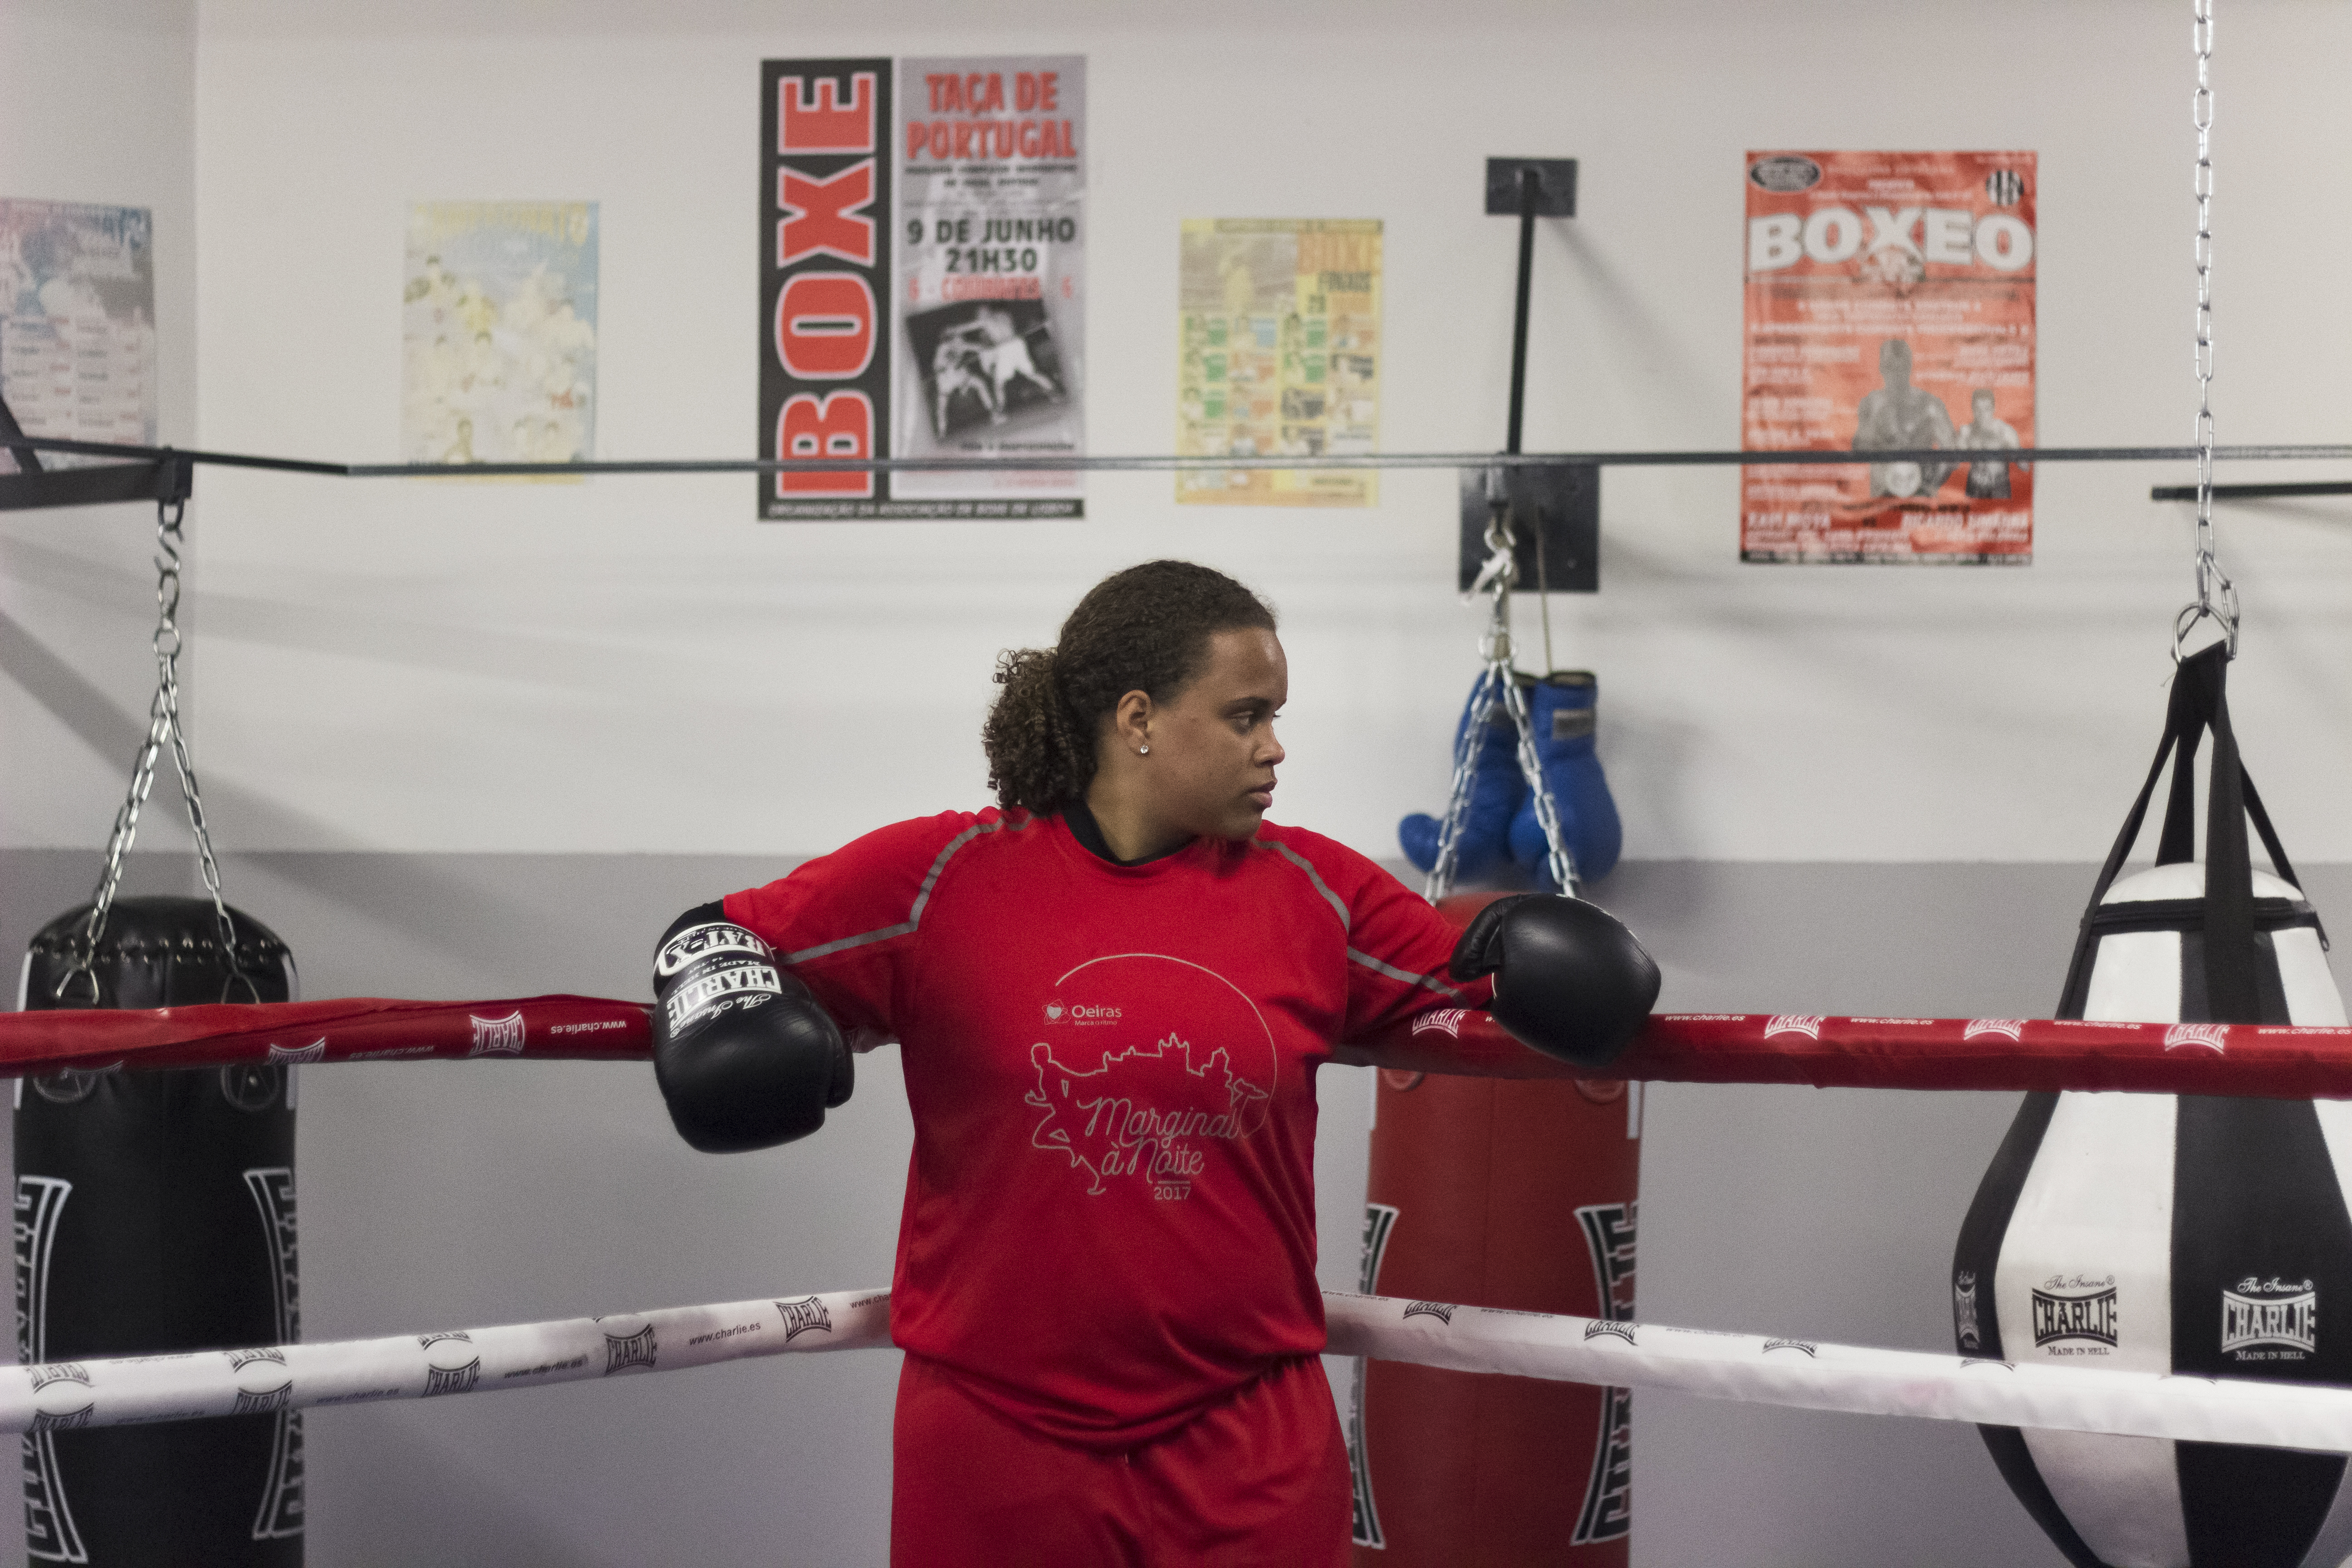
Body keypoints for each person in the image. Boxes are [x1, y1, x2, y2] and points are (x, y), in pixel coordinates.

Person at [646, 561, 1659, 1566]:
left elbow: (1471, 965)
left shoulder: (1315, 892)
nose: (1274, 746)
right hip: (996, 1435)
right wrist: (724, 1006)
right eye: (1245, 716)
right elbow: (715, 933)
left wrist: (1548, 950)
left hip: (1246, 1441)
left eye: (1275, 716)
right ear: (1138, 718)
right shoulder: (942, 877)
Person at [1852, 337, 1956, 499]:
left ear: (1910, 368)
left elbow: (1951, 453)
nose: (1896, 375)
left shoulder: (1930, 405)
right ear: (1881, 368)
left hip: (1920, 498)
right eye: (1890, 367)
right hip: (1883, 498)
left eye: (1902, 367)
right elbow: (1859, 449)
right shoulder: (1872, 404)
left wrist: (1931, 485)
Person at [1955, 387, 2027, 499]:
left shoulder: (2005, 432)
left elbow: (2025, 467)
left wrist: (2016, 452)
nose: (1982, 414)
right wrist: (1959, 442)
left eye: (1987, 409)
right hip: (1974, 487)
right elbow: (1955, 464)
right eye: (1978, 409)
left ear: (1993, 409)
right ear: (1973, 409)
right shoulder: (1966, 431)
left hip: (1999, 487)